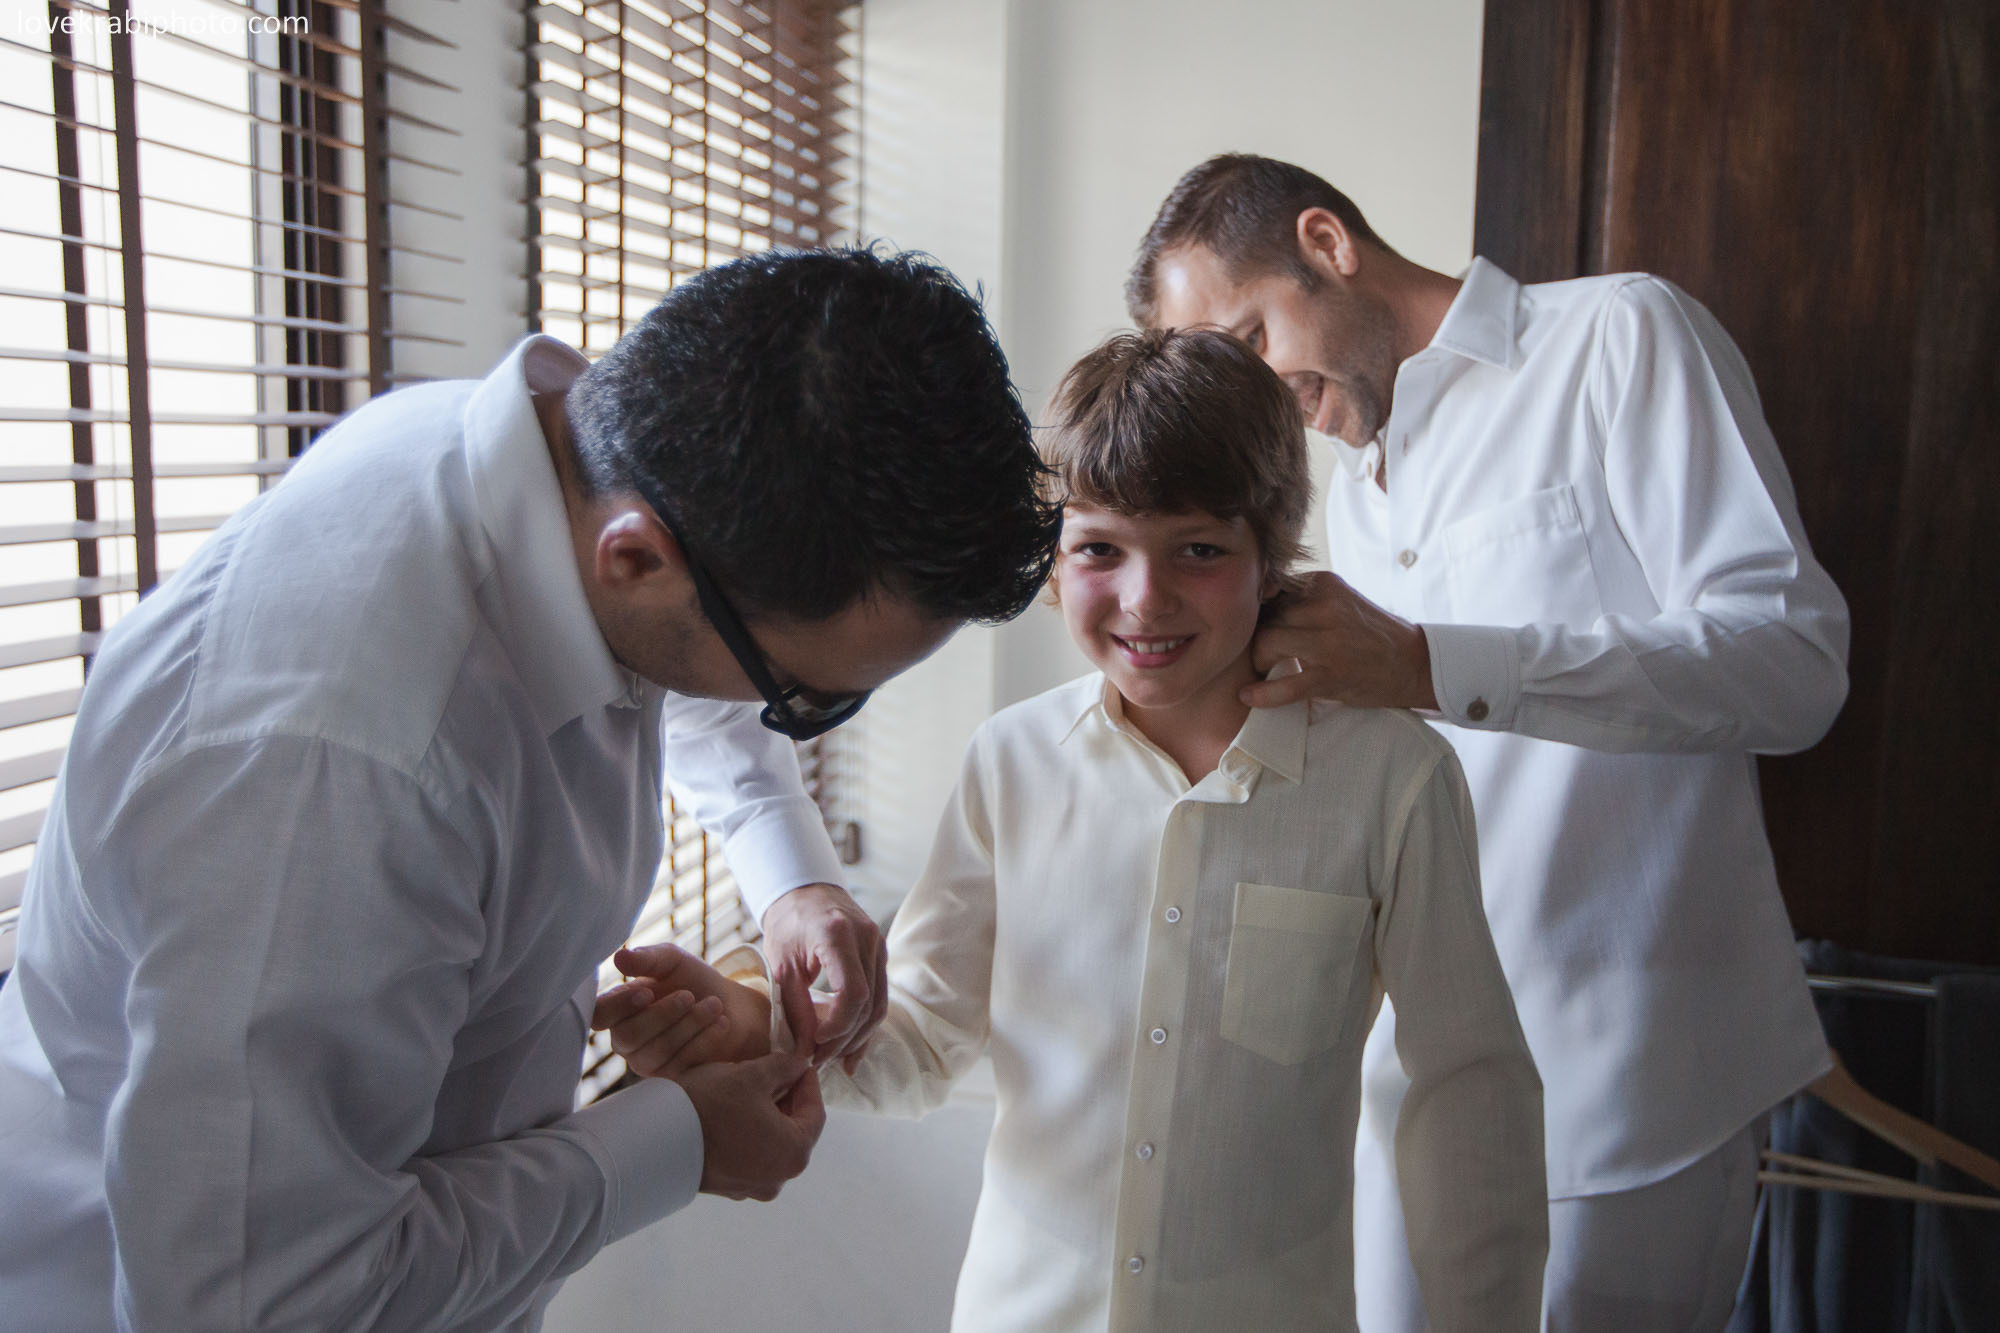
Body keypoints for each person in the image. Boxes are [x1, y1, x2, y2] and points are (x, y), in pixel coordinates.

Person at [0, 247, 1062, 1332]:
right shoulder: (338, 776)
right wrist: (674, 1143)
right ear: (634, 559)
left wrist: (793, 879)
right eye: (802, 695)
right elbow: (257, 1303)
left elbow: (684, 667)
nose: (789, 715)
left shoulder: (567, 471)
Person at [598, 328, 1548, 1331]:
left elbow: (1465, 1102)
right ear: (1051, 565)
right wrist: (757, 1025)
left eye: (1198, 550)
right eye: (1098, 549)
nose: (1145, 599)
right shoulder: (1009, 764)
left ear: (1270, 555)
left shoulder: (1390, 777)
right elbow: (916, 1042)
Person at [1124, 154, 1852, 1330]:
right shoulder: (1348, 501)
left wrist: (1429, 664)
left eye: (1249, 341)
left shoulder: (1618, 340)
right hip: (1403, 1087)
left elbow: (1791, 663)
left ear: (1326, 243)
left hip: (1628, 1077)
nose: (1259, 402)